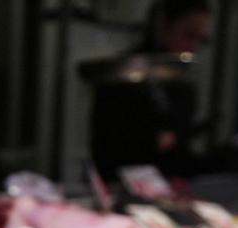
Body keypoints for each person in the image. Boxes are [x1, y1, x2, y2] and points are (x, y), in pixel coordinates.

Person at [90, 0, 214, 181]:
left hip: (172, 187)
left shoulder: (182, 79)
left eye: (200, 39)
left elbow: (179, 149)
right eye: (188, 34)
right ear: (162, 23)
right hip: (125, 183)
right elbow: (112, 151)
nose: (192, 46)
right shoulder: (124, 74)